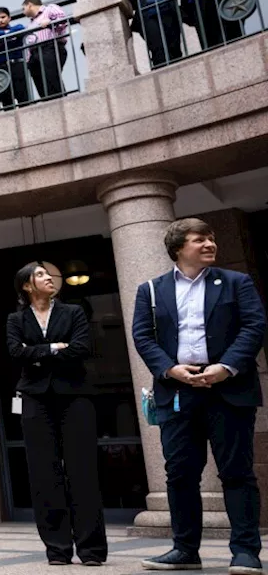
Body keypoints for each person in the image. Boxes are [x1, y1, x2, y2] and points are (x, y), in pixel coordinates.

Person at [133, 218, 265, 574]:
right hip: (177, 391)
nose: (209, 244)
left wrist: (226, 367)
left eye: (211, 237)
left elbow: (255, 326)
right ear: (178, 248)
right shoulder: (151, 289)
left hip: (229, 389)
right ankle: (185, 549)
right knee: (179, 474)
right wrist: (169, 369)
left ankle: (246, 551)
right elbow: (143, 336)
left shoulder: (237, 282)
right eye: (199, 239)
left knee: (236, 472)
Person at [6, 262, 107, 567]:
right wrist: (54, 348)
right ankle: (57, 549)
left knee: (82, 472)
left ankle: (91, 551)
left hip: (75, 396)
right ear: (26, 285)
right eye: (40, 274)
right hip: (35, 399)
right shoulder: (16, 318)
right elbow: (14, 352)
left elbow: (80, 349)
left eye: (49, 274)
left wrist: (37, 351)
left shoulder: (73, 312)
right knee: (43, 474)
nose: (48, 278)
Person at [20, 0, 69, 99]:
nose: (22, 12)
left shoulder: (49, 9)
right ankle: (49, 104)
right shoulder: (31, 24)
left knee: (51, 78)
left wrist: (50, 22)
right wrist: (29, 59)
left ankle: (62, 102)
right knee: (41, 84)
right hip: (35, 54)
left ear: (29, 5)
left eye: (23, 8)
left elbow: (62, 20)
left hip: (50, 47)